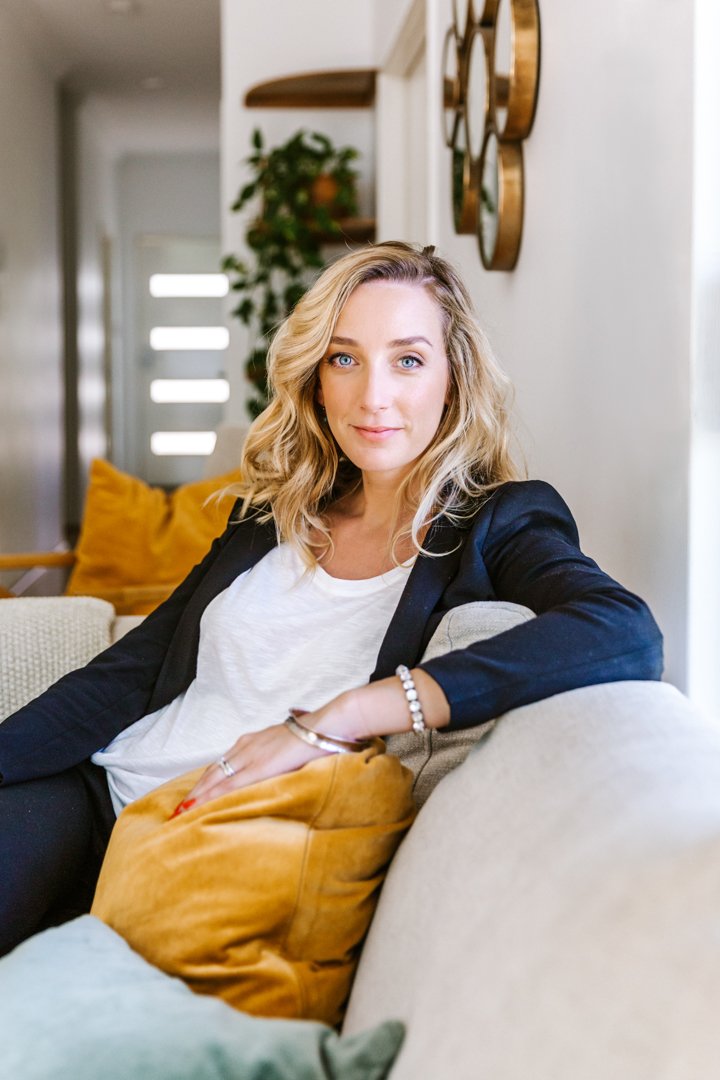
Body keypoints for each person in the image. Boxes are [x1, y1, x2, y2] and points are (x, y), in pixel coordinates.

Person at [0, 241, 663, 955]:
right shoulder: (271, 515)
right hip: (98, 798)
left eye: (408, 360)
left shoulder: (500, 522)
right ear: (316, 380)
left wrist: (345, 714)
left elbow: (623, 631)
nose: (372, 396)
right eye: (344, 358)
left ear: (453, 379)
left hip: (222, 846)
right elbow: (131, 671)